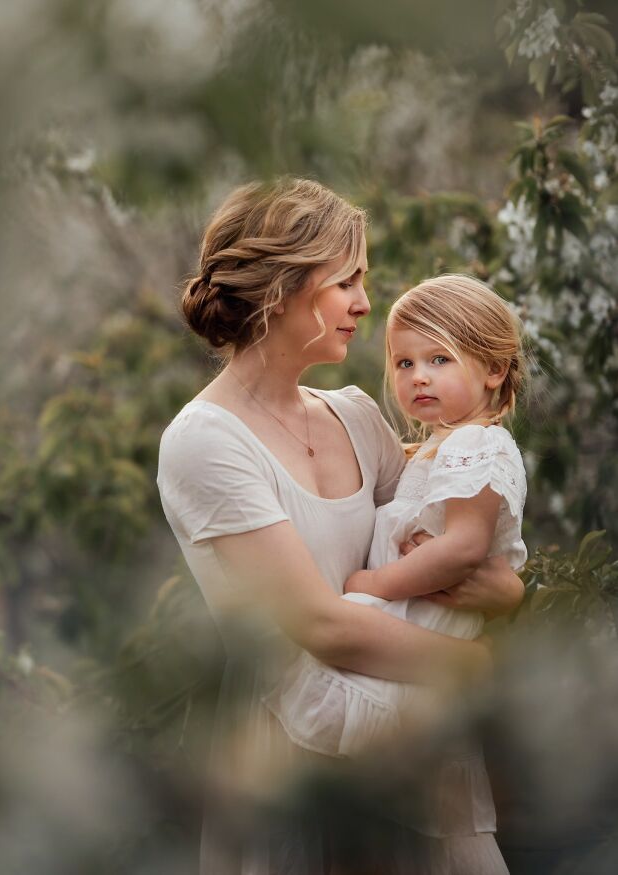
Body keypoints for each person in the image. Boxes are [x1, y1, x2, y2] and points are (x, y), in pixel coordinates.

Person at [156, 178, 523, 875]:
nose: (364, 302)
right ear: (280, 288)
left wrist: (508, 593)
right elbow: (321, 626)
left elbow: (449, 548)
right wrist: (482, 669)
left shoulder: (356, 415)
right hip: (293, 761)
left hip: (410, 741)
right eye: (345, 281)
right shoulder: (205, 441)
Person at [264, 274, 527, 845]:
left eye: (439, 358)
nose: (419, 376)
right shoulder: (439, 446)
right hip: (410, 630)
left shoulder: (475, 445)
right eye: (404, 363)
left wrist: (378, 582)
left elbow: (464, 548)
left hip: (420, 628)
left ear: (494, 369)